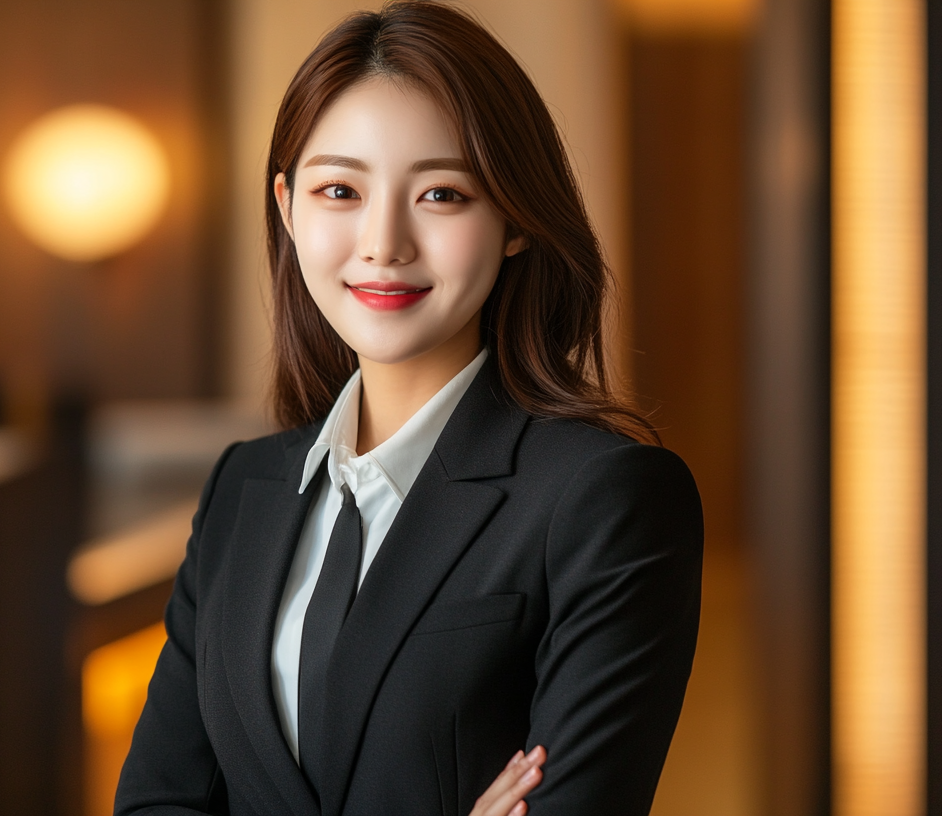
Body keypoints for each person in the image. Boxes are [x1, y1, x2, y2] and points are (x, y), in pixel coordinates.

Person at [114, 2, 703, 814]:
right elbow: (155, 802)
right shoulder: (241, 489)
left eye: (442, 194)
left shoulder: (606, 499)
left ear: (515, 221)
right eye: (339, 190)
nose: (383, 241)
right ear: (288, 209)